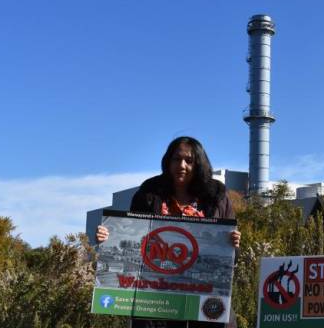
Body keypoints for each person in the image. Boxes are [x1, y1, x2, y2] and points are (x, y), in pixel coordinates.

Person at [96, 136, 241, 328]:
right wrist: (108, 237)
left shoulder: (216, 198)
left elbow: (231, 257)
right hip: (157, 298)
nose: (182, 165)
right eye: (176, 159)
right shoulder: (148, 195)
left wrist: (234, 244)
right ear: (168, 161)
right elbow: (129, 238)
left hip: (204, 296)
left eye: (189, 160)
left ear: (199, 164)